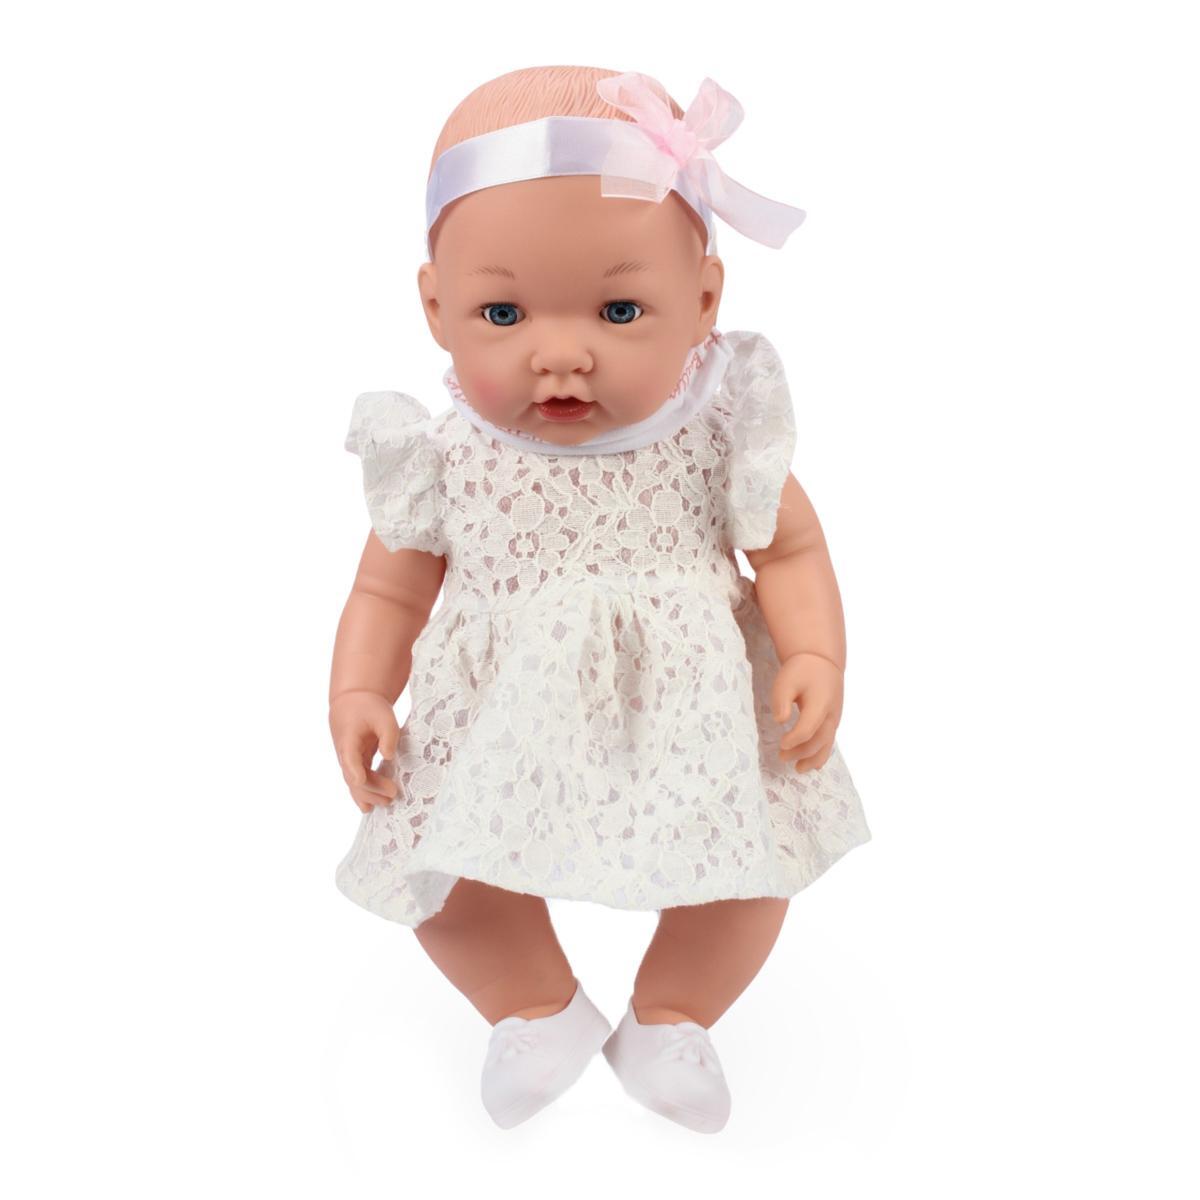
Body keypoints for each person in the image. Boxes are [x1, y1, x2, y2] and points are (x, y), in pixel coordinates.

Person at [328, 65, 871, 1133]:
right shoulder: (444, 457)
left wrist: (816, 654)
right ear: (435, 307)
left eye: (621, 309)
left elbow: (792, 548)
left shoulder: (717, 435)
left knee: (754, 867)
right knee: (436, 872)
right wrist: (358, 687)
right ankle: (531, 1006)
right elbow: (388, 584)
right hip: (499, 714)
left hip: (694, 709)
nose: (562, 352)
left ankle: (676, 1015)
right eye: (503, 311)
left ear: (703, 301)